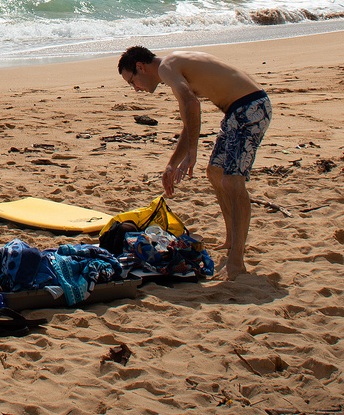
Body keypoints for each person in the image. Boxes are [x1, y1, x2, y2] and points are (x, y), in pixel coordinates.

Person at [116, 45, 272, 279]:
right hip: (236, 111)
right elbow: (189, 124)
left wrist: (192, 152)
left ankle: (237, 261)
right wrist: (172, 163)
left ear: (141, 67)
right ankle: (231, 241)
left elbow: (193, 104)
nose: (135, 89)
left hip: (251, 107)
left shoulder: (168, 67)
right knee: (215, 173)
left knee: (232, 181)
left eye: (132, 82)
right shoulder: (173, 68)